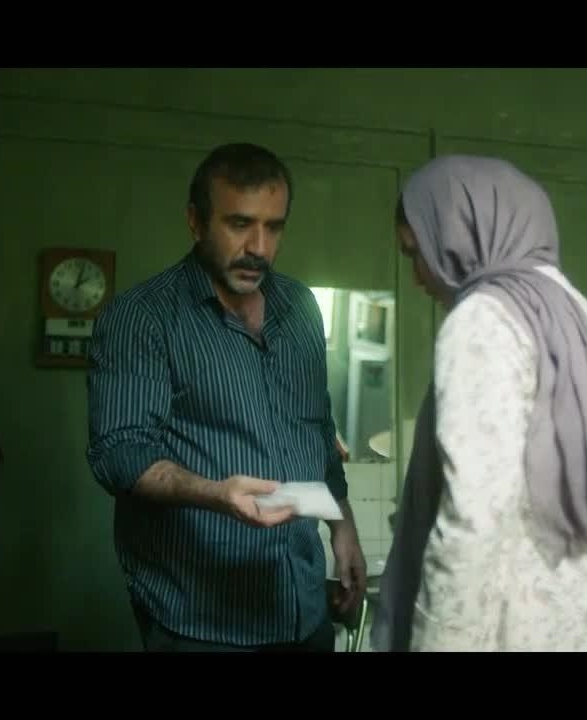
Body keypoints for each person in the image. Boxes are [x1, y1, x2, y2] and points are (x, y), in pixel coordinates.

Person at [372, 155, 587, 652]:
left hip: (526, 625)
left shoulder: (483, 321)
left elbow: (474, 519)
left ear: (459, 233)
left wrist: (438, 642)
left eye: (415, 251)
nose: (417, 275)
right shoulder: (582, 318)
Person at [85, 142, 365, 652]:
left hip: (302, 608)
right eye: (239, 224)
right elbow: (119, 452)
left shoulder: (301, 308)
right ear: (196, 222)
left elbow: (318, 429)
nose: (259, 246)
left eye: (274, 227)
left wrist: (342, 527)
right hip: (201, 620)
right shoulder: (142, 317)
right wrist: (215, 494)